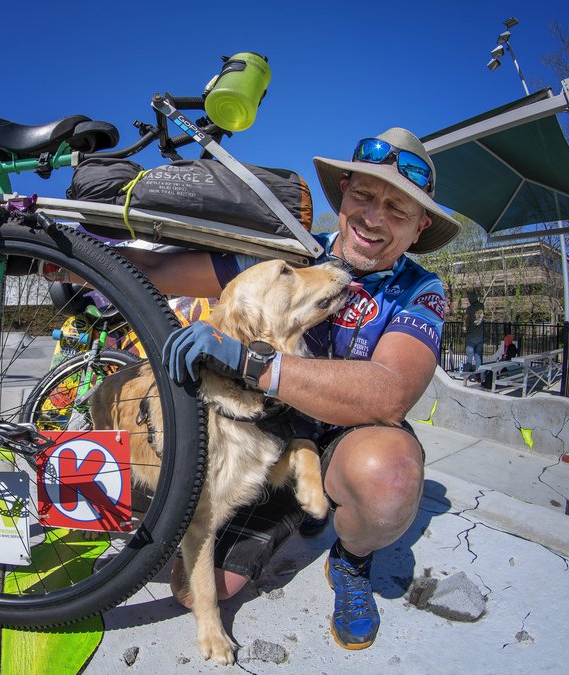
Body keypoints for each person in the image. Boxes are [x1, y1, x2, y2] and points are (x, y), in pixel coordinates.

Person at [119, 128, 460, 651]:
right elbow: (167, 270)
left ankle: (351, 558)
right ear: (343, 194)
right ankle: (295, 506)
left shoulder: (421, 291)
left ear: (419, 227)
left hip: (348, 436)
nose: (372, 217)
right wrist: (72, 263)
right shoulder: (287, 255)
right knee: (192, 590)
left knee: (387, 481)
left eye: (397, 209)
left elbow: (390, 393)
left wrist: (257, 363)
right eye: (363, 196)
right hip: (268, 434)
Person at [463, 290, 485, 371]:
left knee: (470, 355)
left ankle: (467, 375)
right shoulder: (482, 306)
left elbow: (466, 321)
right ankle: (479, 374)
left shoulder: (469, 309)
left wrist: (465, 331)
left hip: (471, 335)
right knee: (478, 356)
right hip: (480, 335)